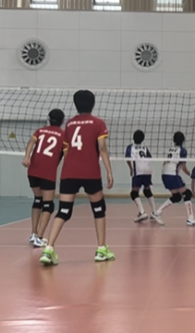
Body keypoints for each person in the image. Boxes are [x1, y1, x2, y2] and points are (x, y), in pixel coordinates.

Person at [40, 91, 115, 266]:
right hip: (91, 173)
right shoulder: (98, 123)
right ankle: (101, 249)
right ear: (93, 104)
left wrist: (72, 166)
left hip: (69, 173)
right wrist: (109, 172)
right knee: (99, 209)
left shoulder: (70, 124)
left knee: (64, 211)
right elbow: (102, 148)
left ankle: (48, 249)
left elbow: (66, 149)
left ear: (75, 105)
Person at [22, 109, 65, 247]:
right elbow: (68, 153)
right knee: (48, 205)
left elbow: (30, 143)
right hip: (48, 172)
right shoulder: (63, 135)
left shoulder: (40, 131)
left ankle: (33, 233)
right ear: (62, 121)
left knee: (38, 199)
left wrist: (27, 157)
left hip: (33, 170)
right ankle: (39, 237)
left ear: (49, 119)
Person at [155, 132, 195, 226]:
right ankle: (191, 218)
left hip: (164, 175)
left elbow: (164, 163)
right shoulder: (182, 151)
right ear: (183, 140)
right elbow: (183, 166)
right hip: (172, 175)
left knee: (177, 197)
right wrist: (190, 173)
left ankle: (157, 212)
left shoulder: (170, 149)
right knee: (187, 193)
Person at [126, 130, 160, 223]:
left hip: (138, 171)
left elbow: (127, 159)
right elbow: (149, 157)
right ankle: (154, 212)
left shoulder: (130, 147)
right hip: (147, 171)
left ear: (133, 138)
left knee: (134, 193)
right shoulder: (144, 148)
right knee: (147, 190)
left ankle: (142, 212)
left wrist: (131, 169)